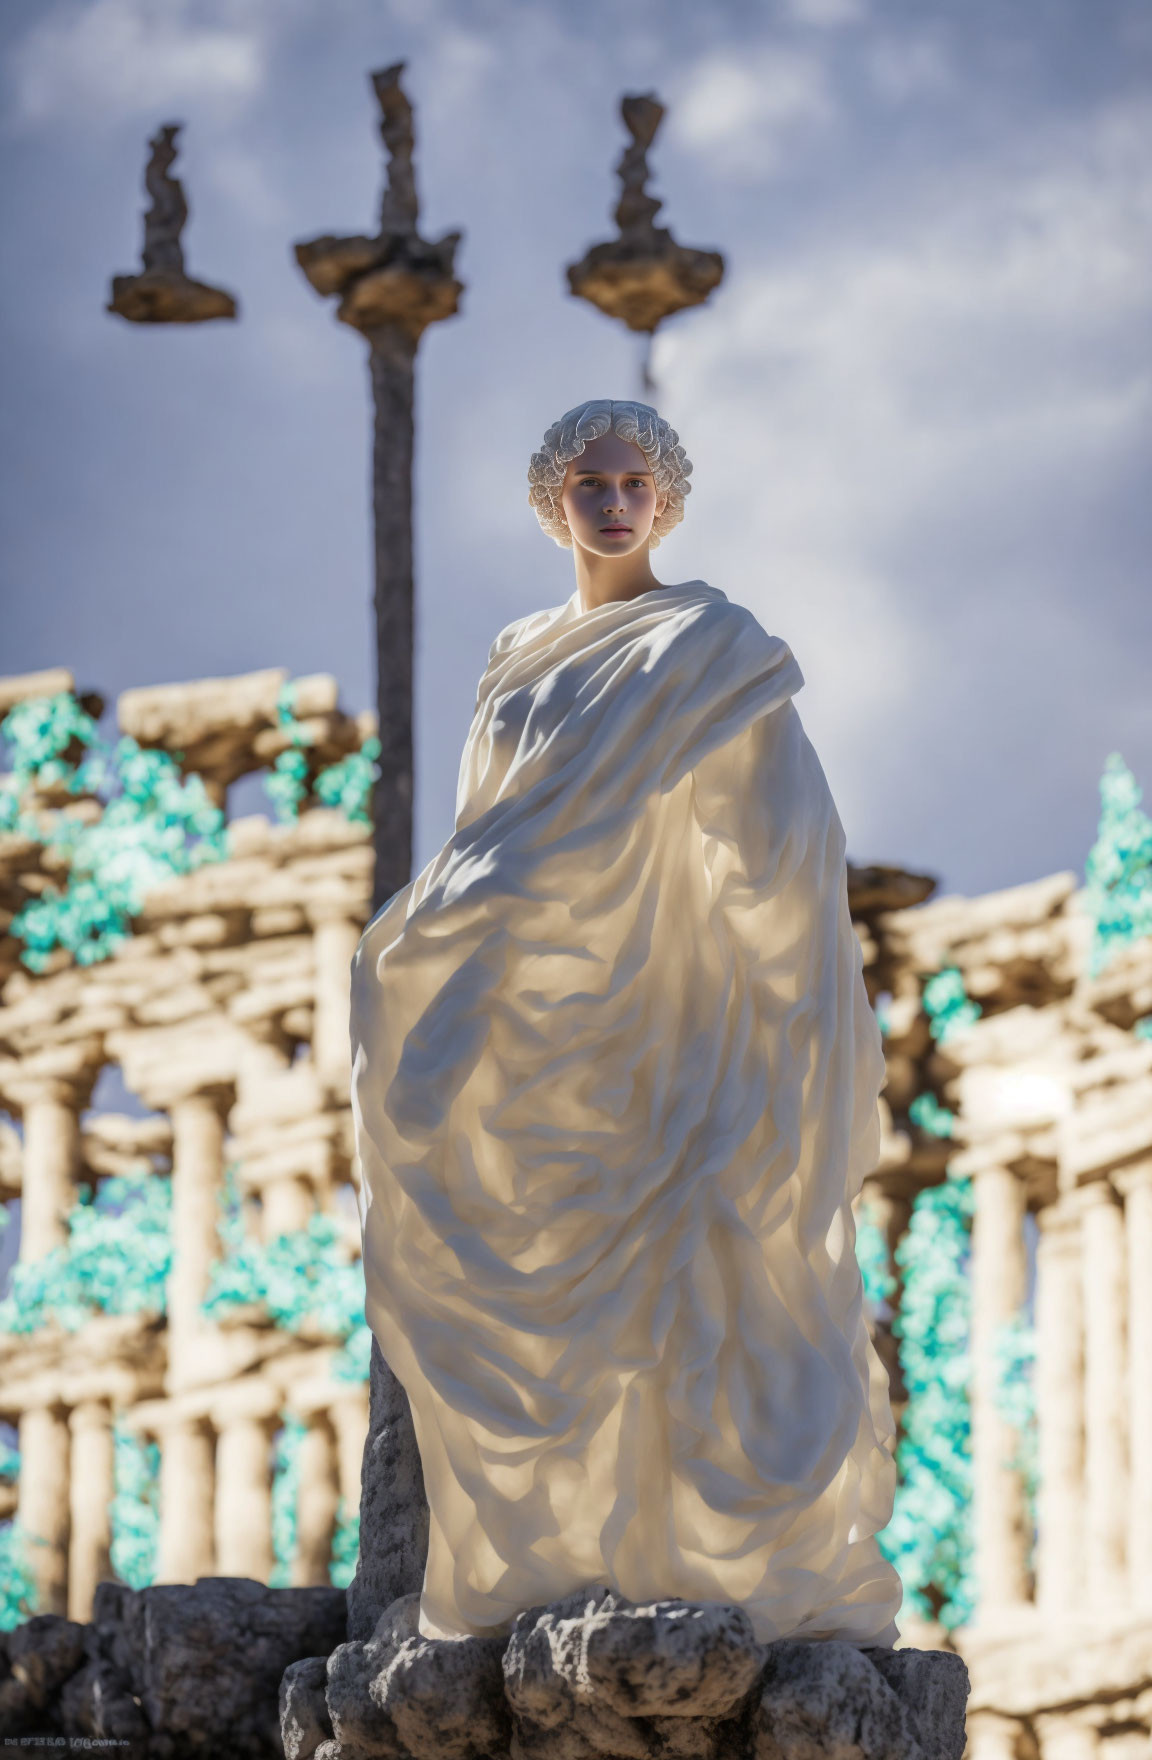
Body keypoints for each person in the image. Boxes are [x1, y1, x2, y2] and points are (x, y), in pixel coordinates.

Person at [350, 398, 903, 1647]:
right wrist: (436, 944)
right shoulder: (516, 657)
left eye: (635, 480)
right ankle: (563, 1572)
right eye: (590, 482)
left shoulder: (708, 644)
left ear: (667, 497)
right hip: (535, 1031)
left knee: (690, 1288)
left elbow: (777, 836)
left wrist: (778, 996)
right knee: (530, 1291)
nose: (614, 501)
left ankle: (687, 1577)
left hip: (671, 1023)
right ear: (556, 499)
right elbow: (486, 839)